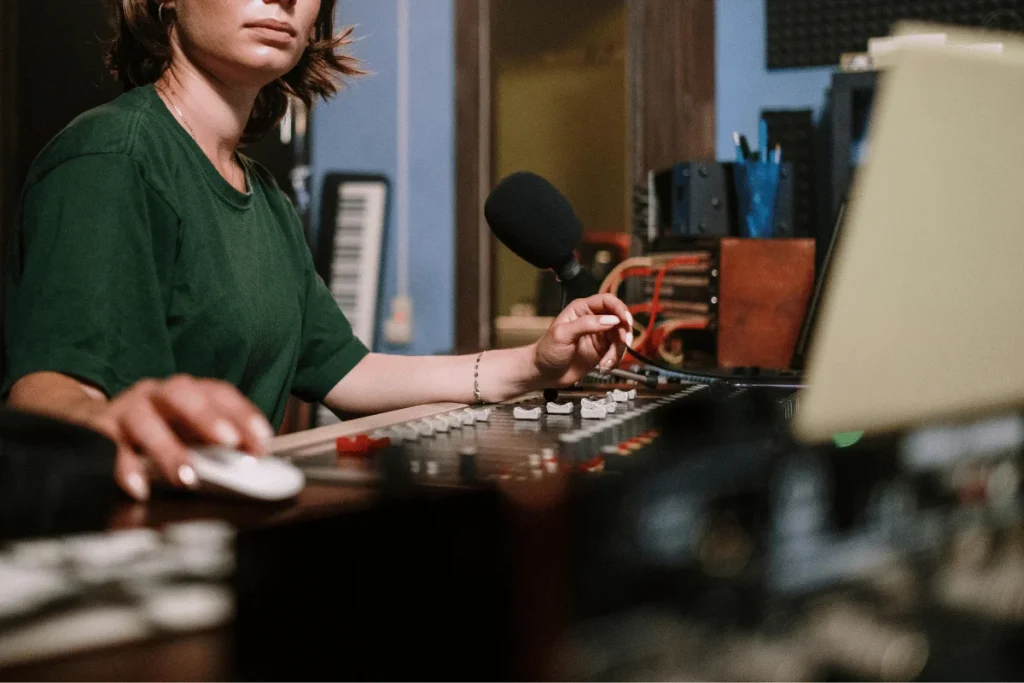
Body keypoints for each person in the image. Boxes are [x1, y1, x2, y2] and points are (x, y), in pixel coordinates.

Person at [1, 0, 632, 502]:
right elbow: (44, 392)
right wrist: (108, 420)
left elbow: (345, 372)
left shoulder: (267, 197)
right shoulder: (111, 158)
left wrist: (534, 363)